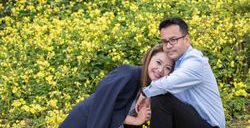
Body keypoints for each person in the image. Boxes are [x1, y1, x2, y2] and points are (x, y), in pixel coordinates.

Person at [136, 17, 226, 128]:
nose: (168, 46)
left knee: (161, 99)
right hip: (191, 120)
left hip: (208, 125)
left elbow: (169, 83)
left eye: (173, 40)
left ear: (186, 39)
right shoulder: (176, 63)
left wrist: (146, 92)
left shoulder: (195, 62)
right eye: (164, 41)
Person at [59, 44, 174, 128]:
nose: (160, 70)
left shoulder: (152, 90)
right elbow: (103, 106)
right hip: (84, 123)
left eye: (167, 68)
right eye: (158, 62)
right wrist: (137, 120)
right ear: (149, 59)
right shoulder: (128, 73)